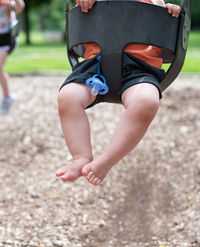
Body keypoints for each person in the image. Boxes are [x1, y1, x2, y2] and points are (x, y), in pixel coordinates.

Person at [56, 0, 181, 186]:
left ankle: (107, 160)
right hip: (95, 68)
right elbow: (82, 9)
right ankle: (80, 156)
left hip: (139, 70)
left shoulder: (156, 2)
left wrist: (171, 13)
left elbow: (166, 28)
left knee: (147, 101)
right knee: (68, 96)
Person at [0, 0, 25, 115]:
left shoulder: (9, 5)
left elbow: (20, 7)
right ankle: (7, 93)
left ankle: (7, 98)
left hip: (6, 41)